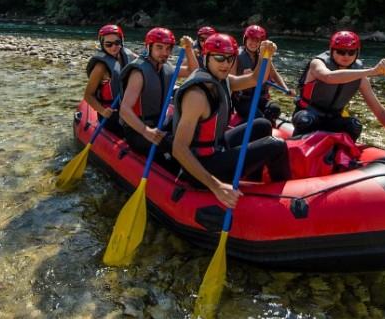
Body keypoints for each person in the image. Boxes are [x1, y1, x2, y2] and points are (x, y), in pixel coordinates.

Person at [172, 33, 291, 209]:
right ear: (206, 57)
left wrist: (266, 55)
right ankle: (287, 196)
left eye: (230, 59)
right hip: (202, 167)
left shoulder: (223, 80)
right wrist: (216, 186)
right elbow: (178, 149)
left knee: (262, 125)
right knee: (276, 145)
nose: (225, 64)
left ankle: (254, 179)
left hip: (216, 147)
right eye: (219, 58)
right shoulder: (197, 96)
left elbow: (255, 79)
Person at [292, 30, 385, 158]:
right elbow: (328, 77)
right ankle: (296, 154)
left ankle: (339, 159)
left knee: (354, 125)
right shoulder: (318, 63)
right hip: (310, 114)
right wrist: (372, 71)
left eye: (351, 52)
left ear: (357, 52)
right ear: (332, 50)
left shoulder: (360, 76)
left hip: (333, 119)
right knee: (305, 120)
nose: (346, 56)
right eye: (341, 51)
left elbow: (379, 111)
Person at [119, 27, 198, 156]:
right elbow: (124, 110)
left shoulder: (167, 68)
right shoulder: (138, 73)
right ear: (148, 47)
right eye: (159, 47)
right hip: (138, 131)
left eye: (168, 48)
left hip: (161, 123)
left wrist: (189, 49)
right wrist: (146, 131)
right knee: (179, 146)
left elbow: (193, 72)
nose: (164, 52)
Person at [231, 24, 292, 125]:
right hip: (243, 99)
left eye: (257, 41)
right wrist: (245, 77)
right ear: (245, 39)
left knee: (274, 109)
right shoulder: (237, 56)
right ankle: (244, 127)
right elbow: (230, 80)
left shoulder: (264, 55)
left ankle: (268, 129)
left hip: (260, 97)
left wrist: (286, 89)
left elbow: (274, 74)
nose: (253, 43)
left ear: (261, 42)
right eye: (251, 39)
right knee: (257, 117)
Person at [83, 24, 135, 135]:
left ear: (122, 41)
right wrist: (102, 111)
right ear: (102, 45)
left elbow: (146, 62)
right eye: (108, 44)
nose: (114, 47)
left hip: (128, 107)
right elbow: (88, 95)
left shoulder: (127, 54)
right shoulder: (100, 67)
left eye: (117, 43)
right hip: (111, 112)